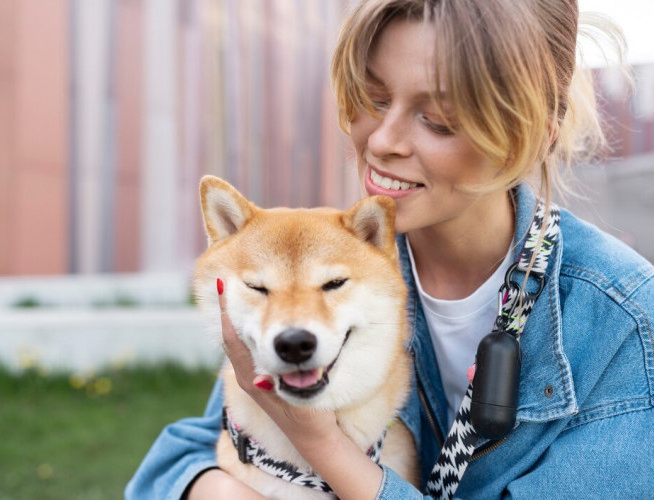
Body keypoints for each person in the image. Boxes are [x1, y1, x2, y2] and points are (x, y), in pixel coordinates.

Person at [126, 0, 654, 498]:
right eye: (373, 99)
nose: (382, 141)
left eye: (439, 120)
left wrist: (321, 445)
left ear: (535, 133)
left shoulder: (623, 324)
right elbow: (194, 452)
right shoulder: (337, 257)